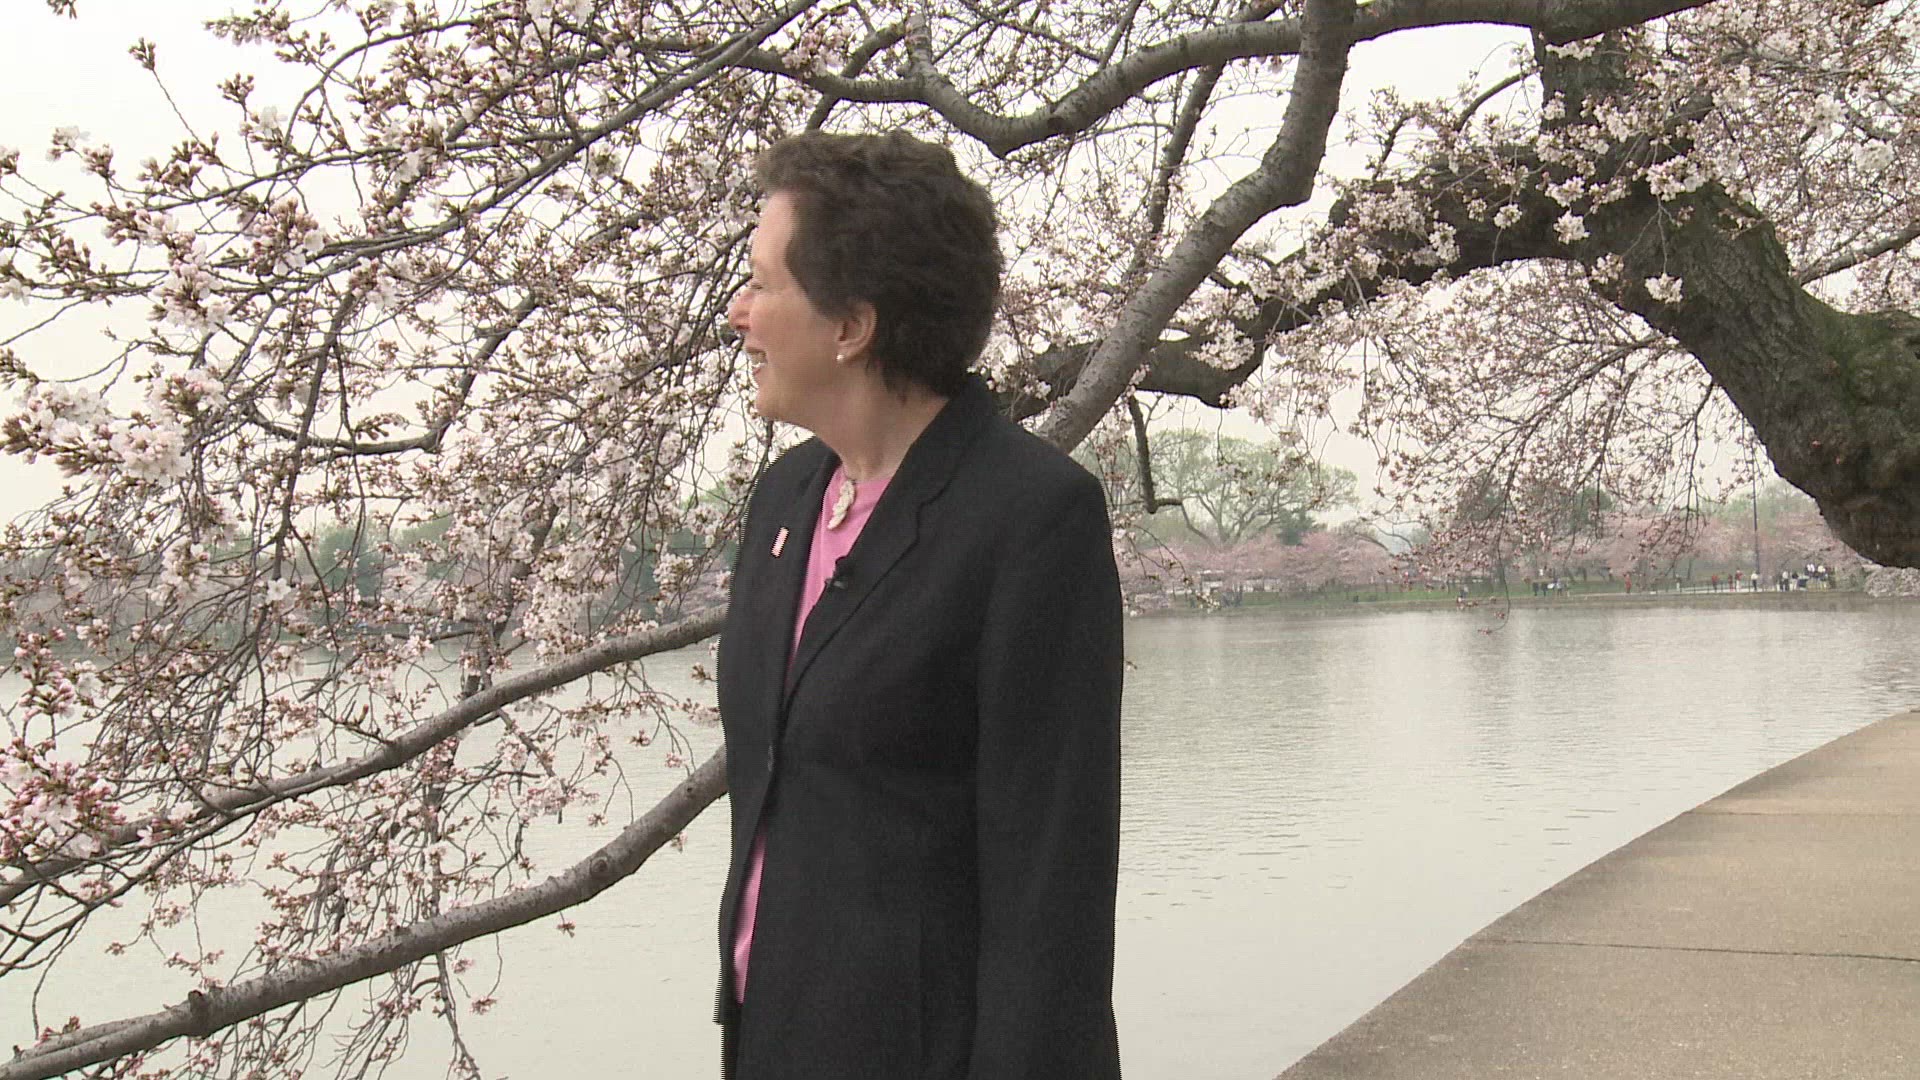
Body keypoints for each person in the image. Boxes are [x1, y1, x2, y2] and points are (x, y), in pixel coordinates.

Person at [713, 131, 1125, 1080]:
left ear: (852, 325)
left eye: (762, 285)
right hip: (773, 1036)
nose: (738, 314)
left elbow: (1052, 881)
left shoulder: (1030, 518)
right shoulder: (784, 501)